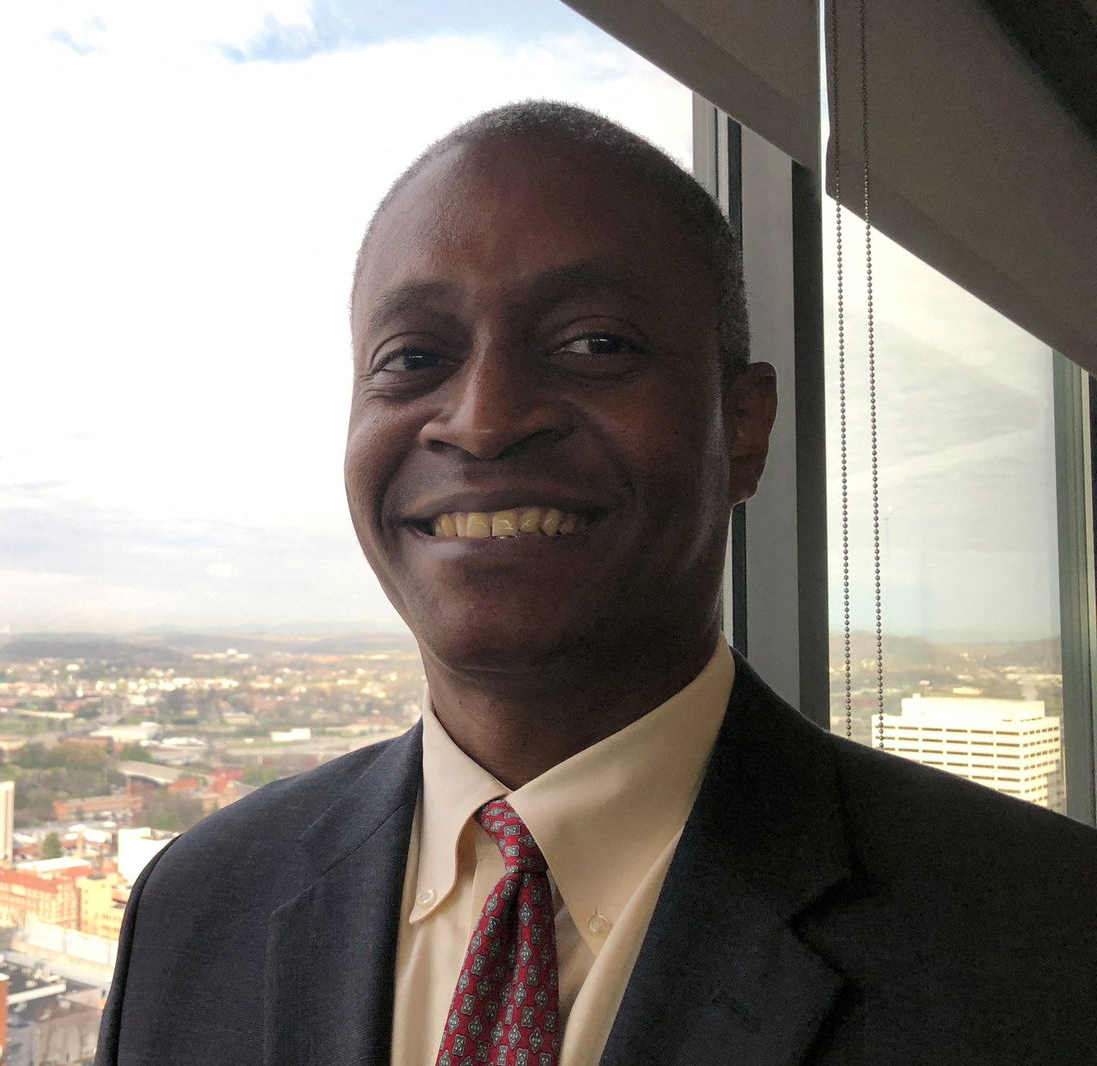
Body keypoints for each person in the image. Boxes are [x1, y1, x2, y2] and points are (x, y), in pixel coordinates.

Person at [95, 102, 1097, 1065]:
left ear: (744, 429)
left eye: (595, 344)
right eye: (414, 357)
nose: (484, 420)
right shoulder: (195, 906)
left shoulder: (1049, 942)